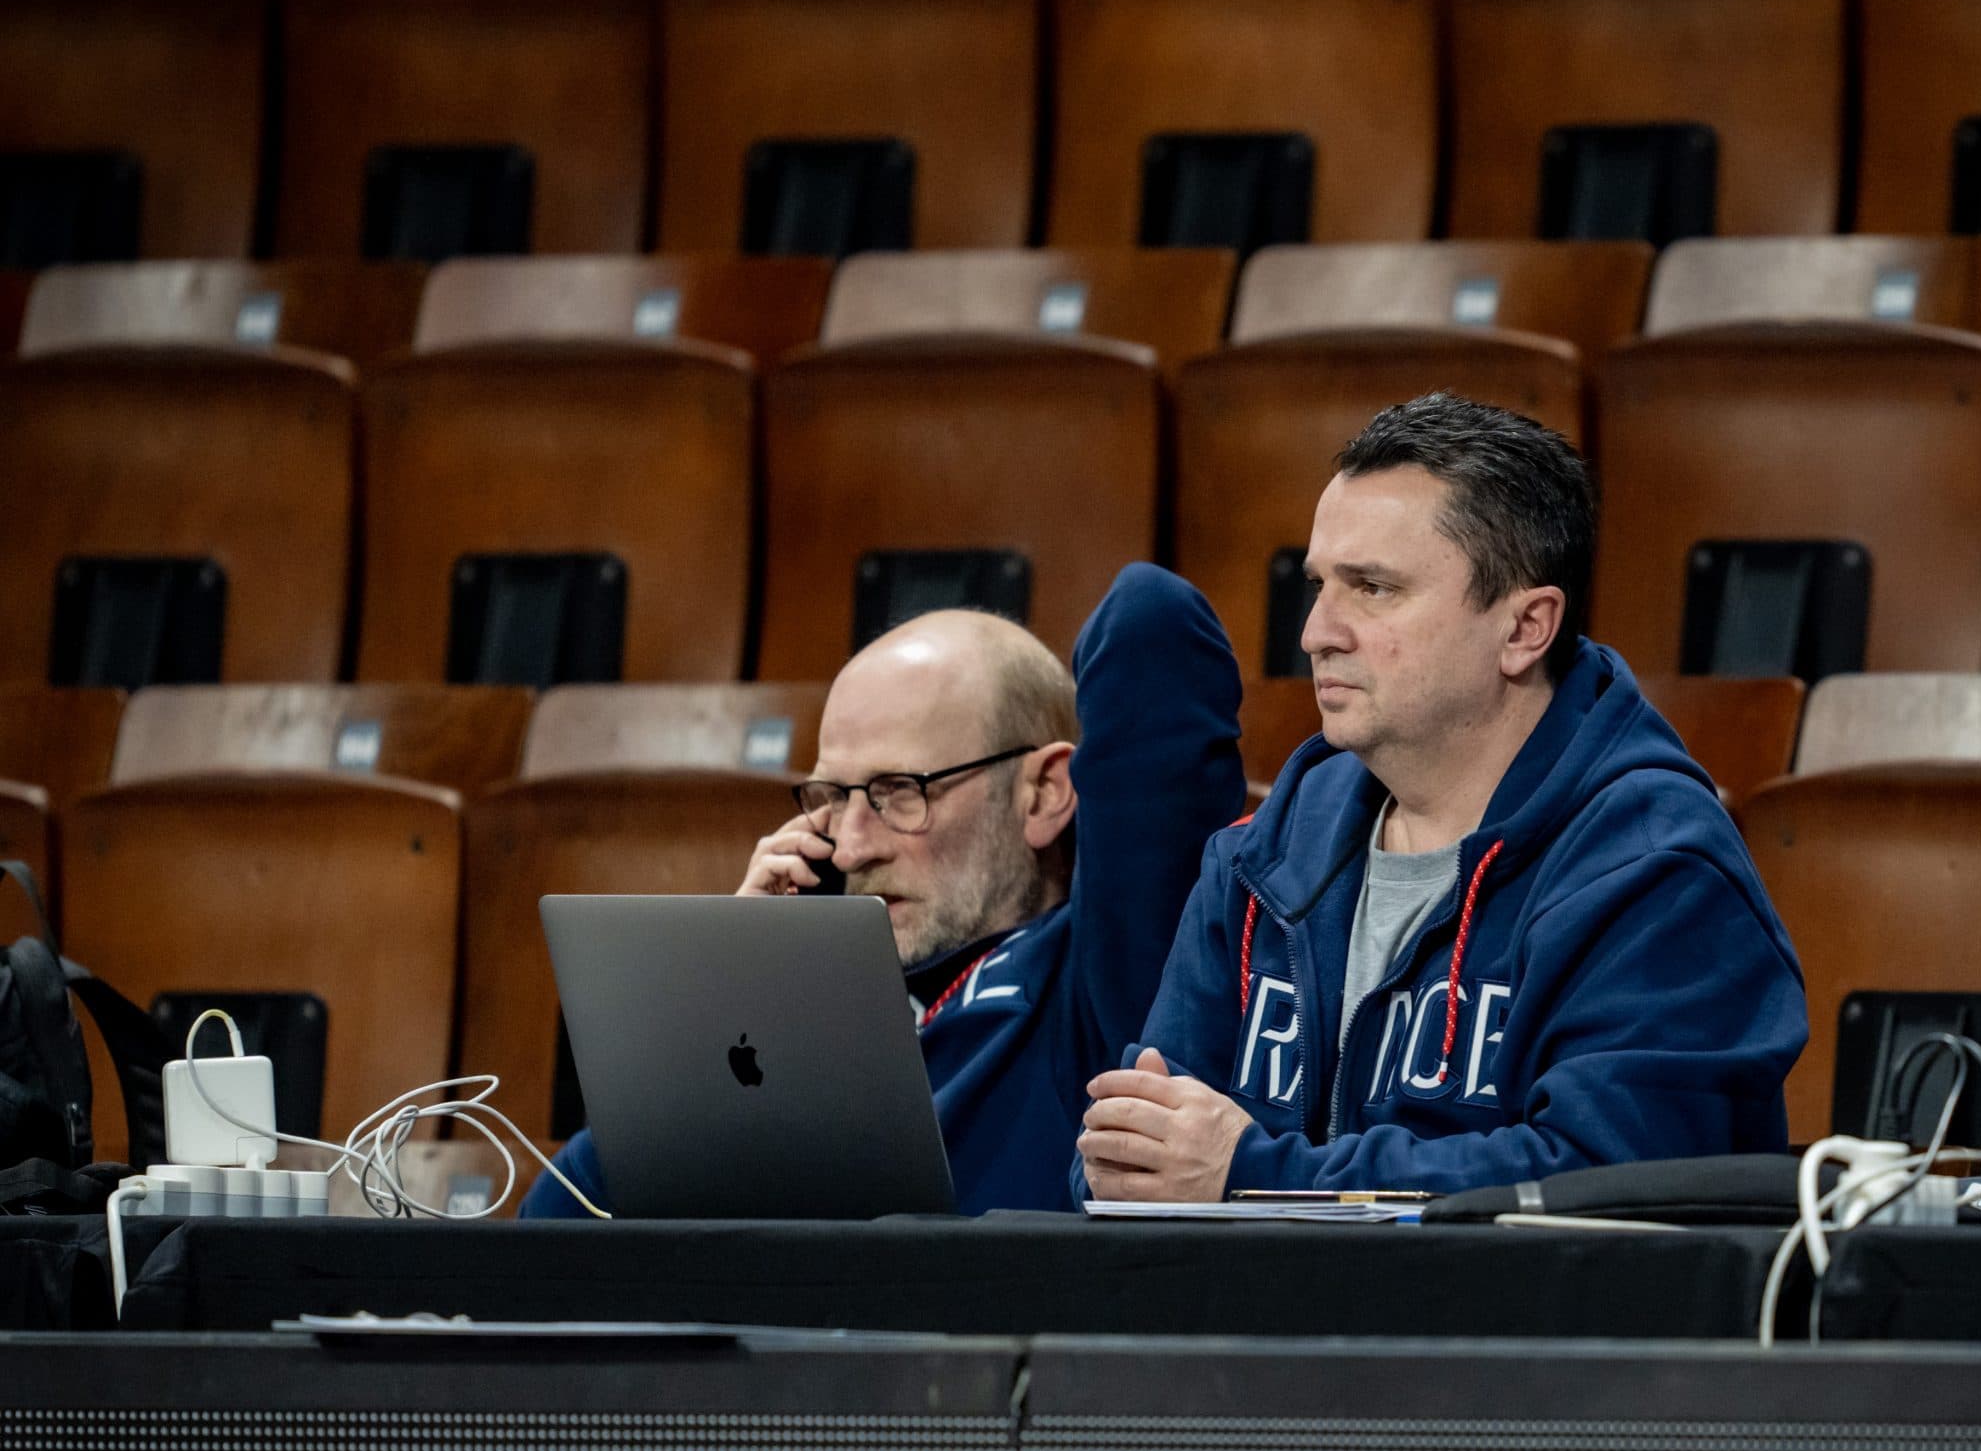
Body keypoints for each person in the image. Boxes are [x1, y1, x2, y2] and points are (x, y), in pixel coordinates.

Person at [1075, 395, 1806, 1203]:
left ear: (1526, 627)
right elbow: (1135, 1151)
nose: (1317, 630)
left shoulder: (1659, 869)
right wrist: (1124, 1162)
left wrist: (1258, 1177)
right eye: (1320, 585)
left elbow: (1616, 1187)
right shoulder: (1264, 851)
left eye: (1374, 588)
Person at [525, 564, 1245, 1216]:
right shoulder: (806, 1007)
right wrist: (733, 986)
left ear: (1044, 791)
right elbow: (561, 1221)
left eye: (900, 790)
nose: (852, 842)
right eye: (834, 796)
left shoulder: (1103, 983)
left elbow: (1149, 618)